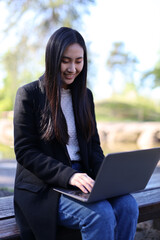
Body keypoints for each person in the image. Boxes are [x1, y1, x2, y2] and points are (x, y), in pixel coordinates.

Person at [13, 27, 139, 240]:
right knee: (100, 215)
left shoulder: (85, 96)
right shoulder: (29, 94)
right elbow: (25, 152)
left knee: (128, 205)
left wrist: (109, 177)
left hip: (84, 179)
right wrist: (69, 175)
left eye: (78, 61)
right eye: (65, 61)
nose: (72, 68)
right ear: (52, 59)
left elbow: (93, 147)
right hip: (46, 187)